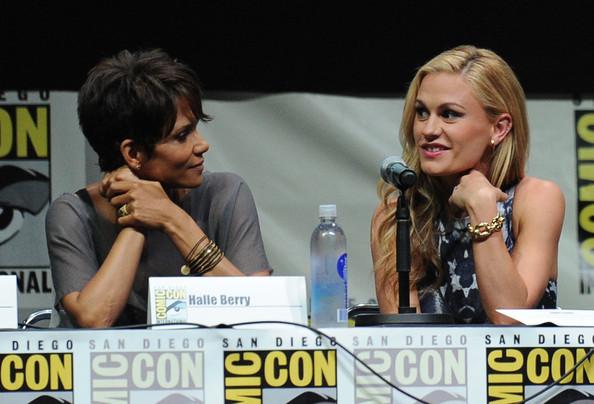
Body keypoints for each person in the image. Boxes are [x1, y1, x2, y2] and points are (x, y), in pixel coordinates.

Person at [46, 49, 271, 328]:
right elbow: (94, 319)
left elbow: (260, 314)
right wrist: (137, 214)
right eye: (182, 135)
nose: (202, 145)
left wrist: (171, 218)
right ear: (134, 154)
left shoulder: (225, 193)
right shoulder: (73, 214)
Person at [371, 45, 564, 324]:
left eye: (449, 114)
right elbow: (403, 341)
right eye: (422, 112)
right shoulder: (396, 214)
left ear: (498, 128)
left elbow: (509, 317)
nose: (428, 129)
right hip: (434, 367)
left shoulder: (537, 199)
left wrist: (482, 206)